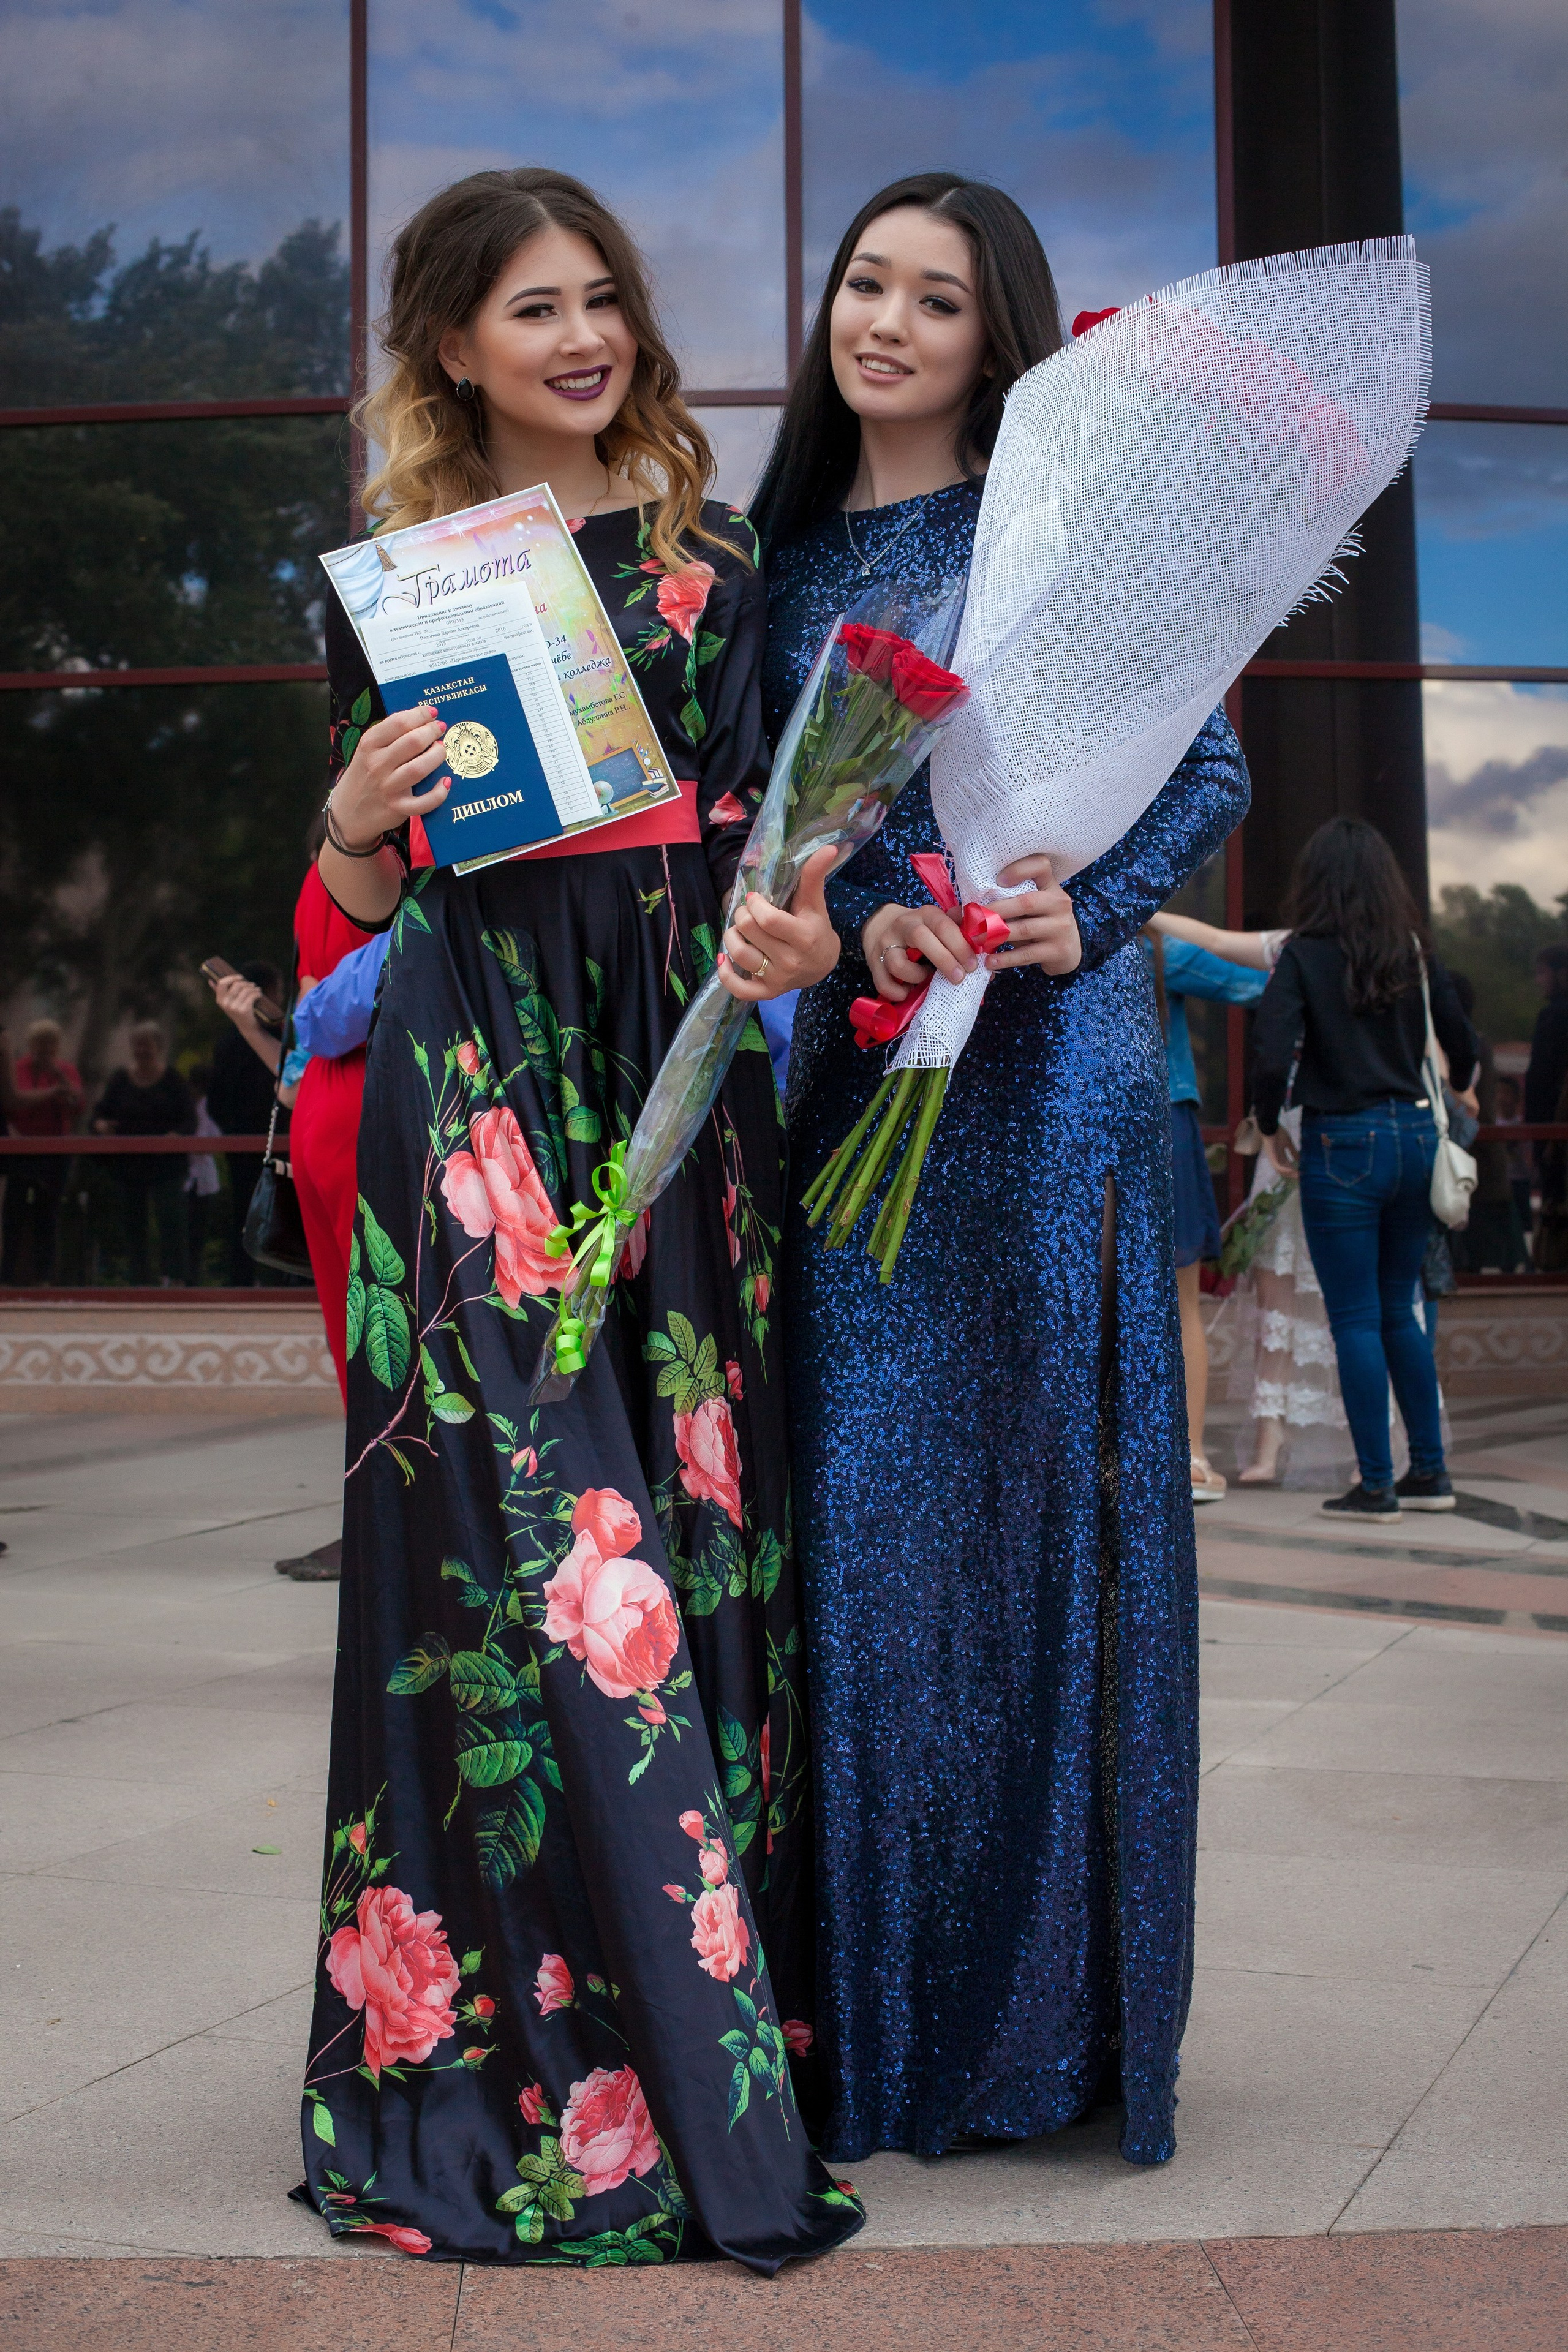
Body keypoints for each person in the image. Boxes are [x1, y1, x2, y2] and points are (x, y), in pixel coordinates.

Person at [297, 168, 856, 2269]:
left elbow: (770, 845)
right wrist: (353, 841)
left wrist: (791, 941)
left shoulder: (721, 561)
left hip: (681, 1077)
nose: (584, 337)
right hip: (471, 1094)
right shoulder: (387, 583)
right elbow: (353, 911)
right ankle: (492, 2065)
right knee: (509, 1562)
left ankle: (698, 2045)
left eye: (603, 298)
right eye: (535, 309)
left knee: (681, 1539)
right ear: (456, 346)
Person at [753, 172, 1250, 2169]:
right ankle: (869, 2022)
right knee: (862, 1553)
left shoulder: (1061, 535)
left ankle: (1042, 2036)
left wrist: (1090, 910)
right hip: (866, 1092)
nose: (883, 320)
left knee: (1039, 1551)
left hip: (1042, 1094)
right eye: (864, 283)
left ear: (995, 332)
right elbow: (786, 827)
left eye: (933, 298)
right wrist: (861, 913)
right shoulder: (776, 552)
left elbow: (1199, 771)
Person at [1251, 819, 1477, 1522]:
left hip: (1342, 1143)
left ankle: (1375, 1484)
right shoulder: (1410, 950)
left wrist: (1266, 1124)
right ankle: (1429, 1474)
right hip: (1414, 1137)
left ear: (1314, 881)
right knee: (1396, 1311)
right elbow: (1465, 1050)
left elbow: (1268, 1052)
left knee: (1351, 1318)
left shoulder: (1303, 954)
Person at [214, 885, 382, 1581]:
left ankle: (377, 1525)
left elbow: (315, 1049)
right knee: (369, 1340)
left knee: (365, 1341)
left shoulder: (339, 892)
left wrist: (287, 1019)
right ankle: (376, 1521)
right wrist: (270, 1026)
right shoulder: (355, 886)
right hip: (342, 1125)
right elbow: (305, 1065)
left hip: (343, 1132)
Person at [1142, 921, 1269, 1501]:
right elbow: (1255, 985)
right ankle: (1190, 1456)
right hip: (1162, 1120)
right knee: (1181, 1296)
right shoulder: (1152, 942)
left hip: (1073, 1125)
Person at [92, 1020, 195, 1285]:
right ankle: (139, 1280)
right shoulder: (120, 1079)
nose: (141, 1050)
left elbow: (190, 1121)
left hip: (167, 1165)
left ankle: (175, 1278)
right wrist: (102, 1125)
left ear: (159, 1047)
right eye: (137, 1045)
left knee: (171, 1221)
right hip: (129, 1165)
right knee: (132, 1224)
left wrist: (175, 1137)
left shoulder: (172, 1079)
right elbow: (99, 1115)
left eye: (147, 1044)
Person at [206, 960, 285, 1286]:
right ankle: (281, 1283)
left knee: (247, 1214)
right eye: (279, 990)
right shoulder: (280, 1038)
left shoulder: (229, 1042)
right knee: (282, 1214)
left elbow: (216, 1101)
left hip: (249, 1144)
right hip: (273, 1142)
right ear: (265, 992)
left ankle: (241, 1281)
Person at [0, 1017, 83, 1285]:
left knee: (47, 1216)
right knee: (14, 1213)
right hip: (22, 1150)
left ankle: (44, 1278)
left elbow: (77, 1104)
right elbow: (15, 1102)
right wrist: (52, 1092)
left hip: (55, 1152)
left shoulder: (65, 1071)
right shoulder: (18, 1069)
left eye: (51, 1043)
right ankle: (8, 1276)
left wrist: (59, 1079)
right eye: (40, 1042)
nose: (45, 1049)